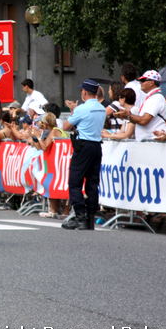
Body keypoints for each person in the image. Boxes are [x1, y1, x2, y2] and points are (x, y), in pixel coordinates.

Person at [61, 79, 106, 230]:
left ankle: (80, 216)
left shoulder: (82, 108)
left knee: (75, 181)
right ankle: (91, 216)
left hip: (83, 146)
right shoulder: (101, 108)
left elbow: (66, 126)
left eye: (82, 91)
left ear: (85, 92)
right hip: (96, 146)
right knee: (92, 182)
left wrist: (73, 111)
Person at [29, 113, 69, 219]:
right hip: (56, 163)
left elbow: (45, 147)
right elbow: (40, 147)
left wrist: (38, 136)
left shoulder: (55, 131)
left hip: (61, 163)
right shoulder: (51, 131)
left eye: (41, 123)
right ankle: (54, 210)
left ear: (46, 123)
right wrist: (34, 137)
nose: (40, 125)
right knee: (51, 184)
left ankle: (62, 210)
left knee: (59, 184)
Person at [114, 70, 166, 141]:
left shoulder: (156, 98)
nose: (140, 82)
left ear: (151, 82)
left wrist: (127, 116)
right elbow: (141, 120)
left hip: (152, 141)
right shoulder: (152, 97)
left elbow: (143, 120)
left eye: (143, 80)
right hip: (149, 141)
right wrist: (126, 116)